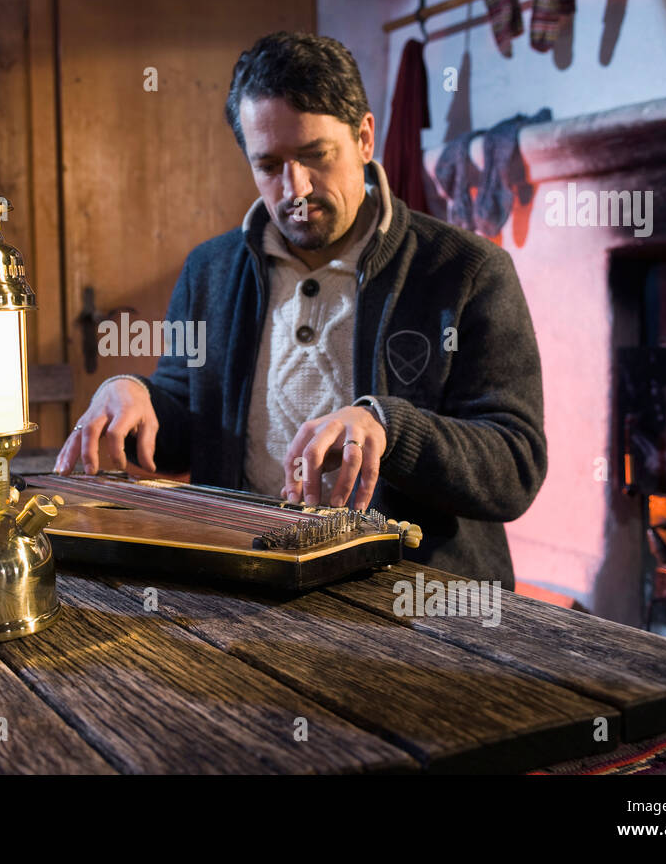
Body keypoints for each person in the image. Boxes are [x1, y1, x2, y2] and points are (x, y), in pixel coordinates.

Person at [53, 31, 547, 584]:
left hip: (414, 598)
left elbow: (516, 465)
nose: (297, 188)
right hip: (246, 580)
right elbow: (189, 426)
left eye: (316, 156)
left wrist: (389, 427)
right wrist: (135, 396)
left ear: (364, 137)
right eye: (269, 165)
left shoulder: (467, 271)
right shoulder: (209, 270)